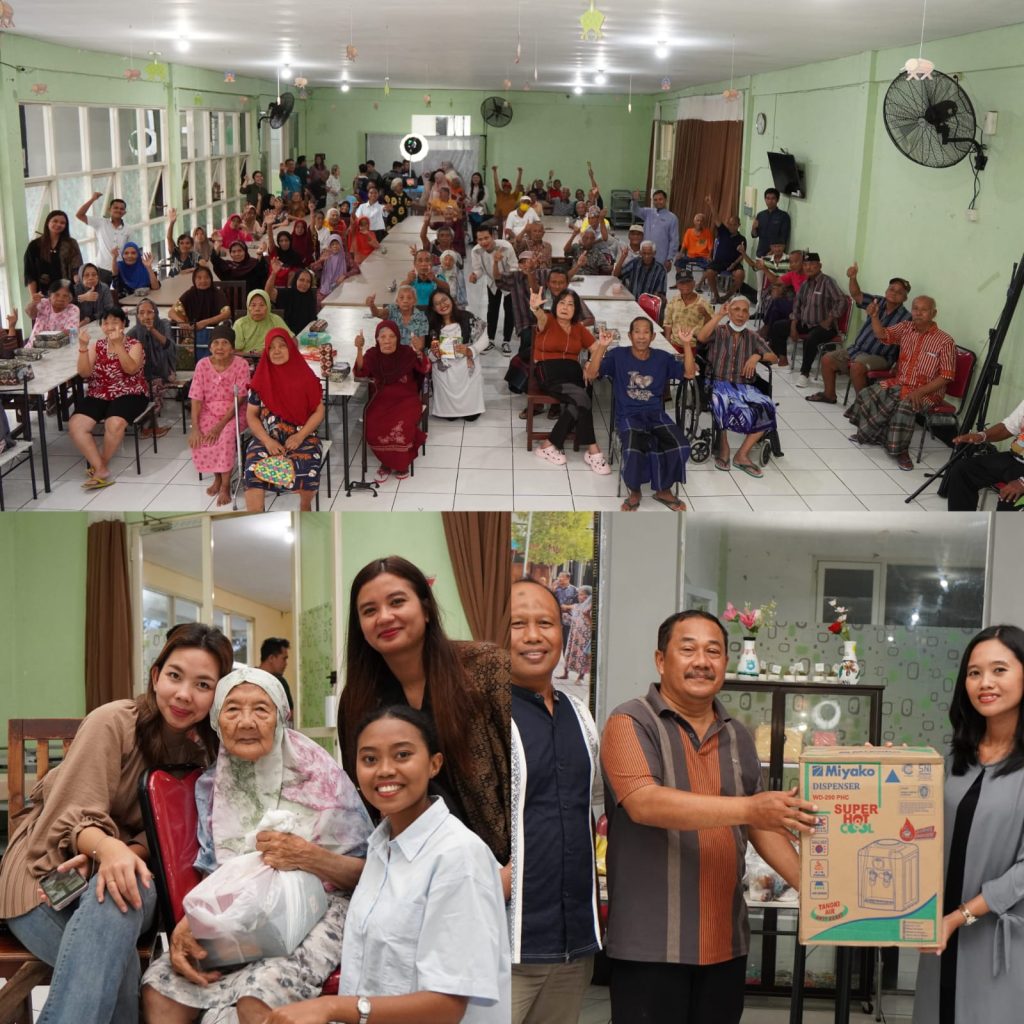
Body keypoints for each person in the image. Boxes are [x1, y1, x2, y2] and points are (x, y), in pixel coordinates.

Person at [0, 623, 231, 1024]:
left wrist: (121, 854)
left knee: (126, 885)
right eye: (174, 676)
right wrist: (105, 849)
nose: (183, 694)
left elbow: (170, 838)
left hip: (123, 879)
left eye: (202, 685)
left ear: (218, 694)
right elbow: (69, 816)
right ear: (156, 676)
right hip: (46, 876)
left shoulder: (206, 754)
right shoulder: (113, 721)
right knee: (120, 970)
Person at [600, 610, 818, 1024]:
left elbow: (760, 827)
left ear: (725, 663)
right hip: (651, 946)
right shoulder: (630, 721)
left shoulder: (738, 735)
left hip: (724, 943)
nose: (702, 661)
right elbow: (645, 803)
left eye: (713, 651)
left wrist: (818, 890)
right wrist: (750, 808)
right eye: (688, 649)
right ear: (661, 660)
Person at [141, 667, 372, 1024]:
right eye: (232, 710)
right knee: (161, 986)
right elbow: (213, 872)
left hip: (321, 906)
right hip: (240, 907)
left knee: (261, 993)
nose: (246, 722)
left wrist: (308, 857)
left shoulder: (322, 778)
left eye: (261, 710)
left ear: (281, 717)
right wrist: (192, 920)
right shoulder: (212, 787)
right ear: (216, 722)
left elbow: (368, 876)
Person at [265, 705, 510, 1024]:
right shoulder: (382, 847)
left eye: (402, 755)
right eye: (369, 759)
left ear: (434, 764)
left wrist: (330, 1008)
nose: (384, 770)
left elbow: (447, 1006)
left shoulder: (459, 856)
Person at [336, 555, 511, 871]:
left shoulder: (487, 667)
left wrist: (511, 874)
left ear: (426, 609)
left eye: (397, 602)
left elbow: (530, 773)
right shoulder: (357, 699)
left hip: (501, 862)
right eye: (369, 610)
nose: (384, 617)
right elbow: (362, 797)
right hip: (413, 871)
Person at [912, 624, 1024, 1024]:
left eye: (999, 670)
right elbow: (927, 833)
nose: (984, 683)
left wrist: (959, 917)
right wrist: (887, 772)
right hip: (941, 935)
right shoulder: (960, 759)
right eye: (974, 673)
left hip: (999, 944)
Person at [510, 579, 602, 1024]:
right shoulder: (481, 714)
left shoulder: (579, 714)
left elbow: (593, 806)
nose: (533, 636)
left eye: (545, 623)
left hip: (573, 944)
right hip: (504, 946)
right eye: (517, 624)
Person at [586, 316, 693, 511]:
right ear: (629, 335)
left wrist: (686, 344)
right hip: (628, 415)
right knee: (633, 449)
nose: (641, 336)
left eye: (646, 332)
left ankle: (663, 489)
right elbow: (591, 374)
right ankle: (634, 491)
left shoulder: (662, 357)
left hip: (656, 415)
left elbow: (689, 373)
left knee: (681, 445)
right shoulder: (618, 355)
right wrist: (601, 346)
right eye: (637, 332)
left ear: (653, 336)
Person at [845, 296, 956, 471]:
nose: (918, 313)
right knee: (869, 393)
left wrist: (920, 392)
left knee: (905, 406)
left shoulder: (945, 341)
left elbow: (946, 376)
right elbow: (882, 334)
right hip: (901, 383)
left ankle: (900, 451)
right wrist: (874, 316)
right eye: (915, 309)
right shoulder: (906, 328)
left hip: (927, 392)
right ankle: (871, 435)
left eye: (924, 310)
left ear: (933, 313)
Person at [692, 296, 779, 479]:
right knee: (722, 402)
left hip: (743, 385)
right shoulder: (719, 331)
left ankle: (742, 455)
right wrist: (718, 316)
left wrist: (757, 357)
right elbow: (701, 337)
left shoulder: (752, 337)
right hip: (717, 382)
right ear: (729, 312)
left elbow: (774, 358)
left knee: (767, 406)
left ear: (748, 315)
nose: (740, 314)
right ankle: (723, 446)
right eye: (736, 309)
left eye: (745, 311)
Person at [529, 288, 612, 474]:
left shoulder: (579, 329)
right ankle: (593, 450)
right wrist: (536, 309)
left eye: (570, 304)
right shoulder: (548, 320)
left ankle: (548, 444)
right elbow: (540, 317)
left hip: (572, 374)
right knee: (583, 398)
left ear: (576, 310)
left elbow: (597, 349)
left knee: (580, 400)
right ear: (555, 305)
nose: (565, 307)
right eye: (561, 302)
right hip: (548, 371)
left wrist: (591, 360)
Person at [244, 328, 326, 512]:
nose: (277, 351)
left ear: (291, 348)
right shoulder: (261, 380)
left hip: (303, 437)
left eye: (282, 346)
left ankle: (305, 507)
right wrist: (267, 441)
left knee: (306, 469)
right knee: (252, 471)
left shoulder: (306, 378)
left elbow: (319, 411)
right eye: (271, 347)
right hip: (266, 438)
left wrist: (300, 436)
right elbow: (251, 415)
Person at [67, 307, 149, 489]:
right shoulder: (97, 346)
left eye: (115, 322)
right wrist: (83, 348)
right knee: (76, 425)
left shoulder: (134, 345)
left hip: (130, 392)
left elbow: (130, 369)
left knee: (115, 423)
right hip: (99, 393)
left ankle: (101, 464)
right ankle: (101, 468)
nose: (110, 326)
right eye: (106, 322)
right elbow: (84, 373)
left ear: (123, 324)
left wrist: (118, 345)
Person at [806, 266, 911, 404]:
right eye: (892, 289)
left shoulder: (906, 318)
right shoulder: (877, 301)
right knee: (827, 359)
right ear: (886, 291)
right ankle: (829, 395)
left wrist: (899, 365)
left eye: (899, 292)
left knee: (857, 366)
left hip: (881, 357)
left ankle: (863, 405)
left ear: (905, 298)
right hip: (856, 350)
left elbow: (904, 345)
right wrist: (853, 277)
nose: (894, 293)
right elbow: (856, 294)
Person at [354, 320, 430, 483]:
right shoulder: (372, 354)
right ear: (377, 339)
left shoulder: (407, 353)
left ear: (398, 338)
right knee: (372, 423)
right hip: (380, 399)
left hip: (406, 399)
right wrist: (359, 349)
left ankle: (401, 465)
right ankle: (386, 463)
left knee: (401, 424)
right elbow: (361, 372)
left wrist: (419, 351)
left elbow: (425, 368)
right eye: (383, 337)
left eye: (392, 336)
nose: (387, 341)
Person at [187, 324, 250, 506]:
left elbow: (240, 398)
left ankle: (225, 485)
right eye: (216, 343)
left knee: (225, 437)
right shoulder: (202, 365)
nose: (220, 347)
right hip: (208, 411)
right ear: (210, 346)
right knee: (203, 436)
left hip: (234, 412)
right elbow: (196, 398)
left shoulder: (241, 364)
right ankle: (217, 477)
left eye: (225, 343)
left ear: (232, 347)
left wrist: (220, 425)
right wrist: (195, 428)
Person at [945, 401, 1024, 510]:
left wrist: (1022, 483)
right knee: (962, 470)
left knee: (1010, 499)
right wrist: (981, 436)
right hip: (1015, 458)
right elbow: (1008, 427)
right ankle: (962, 520)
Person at [426, 289, 488, 422]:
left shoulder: (468, 317)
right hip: (444, 374)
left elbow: (485, 339)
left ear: (451, 299)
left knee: (471, 417)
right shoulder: (432, 326)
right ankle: (447, 409)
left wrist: (470, 350)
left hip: (466, 369)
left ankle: (471, 407)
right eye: (437, 303)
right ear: (433, 308)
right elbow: (427, 353)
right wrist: (434, 354)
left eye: (444, 300)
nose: (442, 305)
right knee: (450, 417)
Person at [787, 252, 847, 388]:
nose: (808, 267)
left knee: (811, 338)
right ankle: (782, 361)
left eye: (812, 264)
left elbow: (842, 301)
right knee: (779, 326)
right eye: (805, 264)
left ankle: (804, 374)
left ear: (819, 266)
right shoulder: (805, 284)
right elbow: (797, 305)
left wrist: (830, 319)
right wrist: (793, 325)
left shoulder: (827, 282)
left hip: (825, 327)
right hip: (806, 323)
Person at [128, 298, 175, 438]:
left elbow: (169, 345)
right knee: (140, 389)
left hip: (163, 369)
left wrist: (152, 330)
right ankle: (146, 426)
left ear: (156, 313)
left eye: (150, 312)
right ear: (137, 316)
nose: (146, 316)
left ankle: (149, 427)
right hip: (141, 373)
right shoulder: (134, 331)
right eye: (141, 313)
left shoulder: (164, 324)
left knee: (154, 388)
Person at [23, 210, 83, 318]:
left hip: (65, 293)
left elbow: (77, 267)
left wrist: (77, 278)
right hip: (43, 294)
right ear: (48, 222)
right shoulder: (34, 245)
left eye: (62, 223)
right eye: (55, 221)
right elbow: (29, 274)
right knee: (44, 323)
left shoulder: (71, 243)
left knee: (67, 322)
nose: (58, 224)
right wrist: (34, 296)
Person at [469, 225, 517, 353]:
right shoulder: (475, 251)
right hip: (492, 282)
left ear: (493, 236)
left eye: (486, 238)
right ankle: (490, 340)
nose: (483, 242)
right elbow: (478, 269)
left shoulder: (506, 247)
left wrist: (506, 277)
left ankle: (506, 341)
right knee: (492, 311)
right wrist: (475, 276)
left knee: (509, 311)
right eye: (480, 239)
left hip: (508, 282)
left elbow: (514, 266)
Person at [169, 265, 232, 355]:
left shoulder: (217, 292)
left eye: (206, 277)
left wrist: (205, 323)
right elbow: (171, 312)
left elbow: (227, 313)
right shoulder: (190, 293)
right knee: (172, 323)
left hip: (213, 332)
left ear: (211, 279)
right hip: (191, 333)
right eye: (199, 278)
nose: (203, 281)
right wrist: (181, 322)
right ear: (194, 280)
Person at [700, 194, 748, 303]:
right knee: (709, 272)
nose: (732, 226)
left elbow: (742, 255)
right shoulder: (723, 231)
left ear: (739, 225)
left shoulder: (742, 238)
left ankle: (726, 297)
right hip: (719, 261)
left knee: (740, 275)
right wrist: (711, 204)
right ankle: (716, 296)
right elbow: (716, 217)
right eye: (730, 224)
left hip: (733, 263)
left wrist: (734, 264)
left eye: (734, 224)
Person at [75, 193, 131, 280]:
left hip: (120, 268)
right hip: (102, 269)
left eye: (121, 209)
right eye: (116, 208)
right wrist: (92, 199)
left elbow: (129, 249)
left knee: (121, 289)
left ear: (125, 212)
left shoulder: (128, 228)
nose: (118, 210)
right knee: (101, 288)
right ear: (109, 210)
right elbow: (79, 215)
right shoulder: (101, 223)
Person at [630, 189, 679, 271]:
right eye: (655, 200)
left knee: (658, 277)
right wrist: (634, 200)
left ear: (665, 200)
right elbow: (635, 210)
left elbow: (674, 240)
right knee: (643, 275)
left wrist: (669, 259)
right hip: (645, 254)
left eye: (660, 199)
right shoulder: (648, 212)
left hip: (661, 257)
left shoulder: (672, 218)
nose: (658, 202)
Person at [662, 272, 713, 348]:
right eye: (681, 283)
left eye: (688, 282)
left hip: (694, 345)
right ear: (677, 285)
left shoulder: (704, 303)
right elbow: (668, 323)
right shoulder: (673, 301)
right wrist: (668, 342)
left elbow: (712, 327)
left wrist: (706, 314)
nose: (685, 285)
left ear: (694, 283)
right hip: (674, 343)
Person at [266, 266, 320, 336]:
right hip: (290, 335)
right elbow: (268, 293)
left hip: (308, 334)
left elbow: (313, 319)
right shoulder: (287, 294)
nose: (304, 284)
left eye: (308, 281)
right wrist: (274, 273)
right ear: (295, 280)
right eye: (301, 280)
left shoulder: (310, 296)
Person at [233, 289, 289, 356]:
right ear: (248, 307)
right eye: (253, 305)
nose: (257, 309)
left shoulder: (275, 319)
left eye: (262, 305)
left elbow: (292, 341)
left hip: (272, 358)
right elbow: (234, 351)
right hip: (246, 359)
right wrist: (254, 355)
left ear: (268, 306)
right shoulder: (240, 324)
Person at [27, 278, 81, 346]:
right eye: (57, 295)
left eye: (65, 296)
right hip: (33, 346)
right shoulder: (43, 303)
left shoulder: (73, 309)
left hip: (58, 348)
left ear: (70, 299)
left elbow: (72, 332)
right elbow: (31, 315)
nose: (60, 299)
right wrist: (33, 303)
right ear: (50, 295)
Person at [614, 240, 668, 305]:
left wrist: (657, 296)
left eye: (649, 254)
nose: (646, 256)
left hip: (650, 305)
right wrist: (622, 257)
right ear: (640, 253)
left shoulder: (661, 270)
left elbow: (661, 294)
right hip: (633, 303)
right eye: (644, 253)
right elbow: (616, 275)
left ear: (654, 253)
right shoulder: (635, 263)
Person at [750, 187, 791, 258]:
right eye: (768, 198)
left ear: (777, 200)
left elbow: (783, 238)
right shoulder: (760, 215)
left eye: (773, 198)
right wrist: (753, 228)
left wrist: (772, 252)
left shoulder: (783, 216)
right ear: (765, 199)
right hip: (760, 254)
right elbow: (755, 235)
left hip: (775, 256)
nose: (770, 201)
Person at [73, 262, 117, 326]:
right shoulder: (75, 289)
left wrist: (90, 319)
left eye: (94, 275)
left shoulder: (103, 288)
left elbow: (109, 309)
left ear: (98, 276)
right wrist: (82, 298)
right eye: (86, 275)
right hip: (79, 325)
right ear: (81, 277)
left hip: (101, 322)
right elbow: (66, 307)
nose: (91, 278)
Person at [311, 234, 350, 304]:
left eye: (337, 243)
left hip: (341, 287)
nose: (335, 246)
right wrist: (321, 260)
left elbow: (356, 269)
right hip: (326, 287)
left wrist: (345, 275)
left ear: (341, 244)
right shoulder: (326, 256)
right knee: (319, 302)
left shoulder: (345, 256)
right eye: (332, 244)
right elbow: (313, 268)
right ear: (329, 246)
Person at [258, 637, 294, 711]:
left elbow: (289, 714)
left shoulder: (281, 683)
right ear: (271, 658)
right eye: (284, 659)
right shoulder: (250, 680)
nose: (286, 663)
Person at [552, 572, 578, 662]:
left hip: (568, 617)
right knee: (554, 636)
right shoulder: (556, 589)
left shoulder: (574, 590)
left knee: (566, 637)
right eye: (559, 576)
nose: (559, 578)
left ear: (568, 578)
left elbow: (578, 604)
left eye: (562, 577)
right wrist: (553, 589)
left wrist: (568, 607)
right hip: (555, 615)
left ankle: (566, 658)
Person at [165, 210, 198, 276]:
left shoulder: (194, 255)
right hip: (173, 280)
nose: (184, 245)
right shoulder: (175, 252)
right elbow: (169, 238)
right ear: (178, 245)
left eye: (187, 243)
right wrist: (172, 223)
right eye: (181, 243)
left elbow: (202, 266)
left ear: (192, 245)